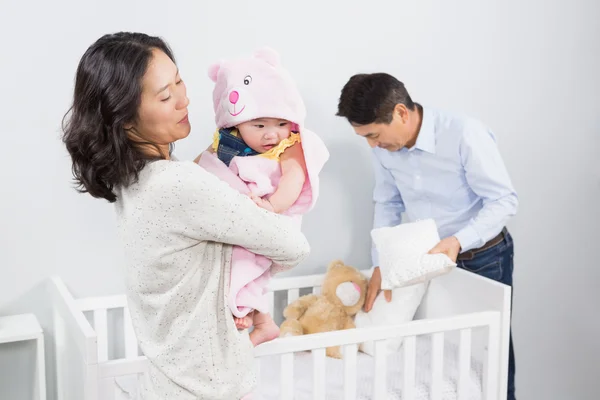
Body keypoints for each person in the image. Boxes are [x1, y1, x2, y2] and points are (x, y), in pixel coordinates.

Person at [62, 32, 310, 400]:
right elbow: (293, 247)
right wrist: (269, 206)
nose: (184, 99)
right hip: (209, 389)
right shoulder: (179, 184)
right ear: (126, 120)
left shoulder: (134, 181)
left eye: (179, 81)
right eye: (165, 95)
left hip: (168, 383)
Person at [336, 72, 518, 400]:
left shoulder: (464, 134)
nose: (372, 145)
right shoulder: (382, 148)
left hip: (483, 257)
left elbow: (504, 201)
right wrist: (381, 264)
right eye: (365, 137)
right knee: (444, 359)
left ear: (402, 113)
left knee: (490, 359)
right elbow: (388, 203)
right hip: (426, 259)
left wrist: (459, 240)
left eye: (374, 135)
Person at [195, 47, 329, 347]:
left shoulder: (290, 144)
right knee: (229, 261)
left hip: (276, 213)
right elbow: (208, 167)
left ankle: (247, 310)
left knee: (249, 263)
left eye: (281, 124)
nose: (272, 134)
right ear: (236, 124)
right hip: (243, 214)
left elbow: (294, 179)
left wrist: (271, 206)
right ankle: (262, 320)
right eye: (259, 125)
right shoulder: (227, 142)